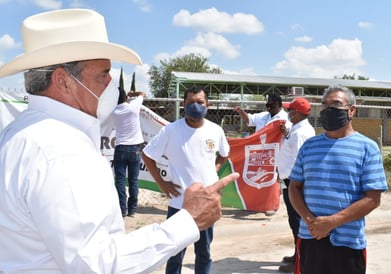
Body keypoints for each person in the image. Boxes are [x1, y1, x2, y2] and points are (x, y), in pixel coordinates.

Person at [0, 9, 239, 273]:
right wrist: (188, 220)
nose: (111, 83)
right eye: (102, 75)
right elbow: (97, 265)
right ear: (63, 81)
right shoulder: (61, 151)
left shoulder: (20, 133)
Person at [288, 86, 388, 274]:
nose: (328, 110)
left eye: (336, 104)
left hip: (348, 244)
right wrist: (311, 220)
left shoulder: (368, 148)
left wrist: (332, 222)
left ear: (352, 110)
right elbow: (294, 187)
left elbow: (373, 199)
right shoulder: (310, 146)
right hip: (310, 239)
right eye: (324, 105)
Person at [142, 86, 230, 274]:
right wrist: (163, 184)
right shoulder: (171, 131)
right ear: (183, 105)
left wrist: (214, 170)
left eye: (200, 102)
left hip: (206, 203)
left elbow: (224, 154)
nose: (195, 106)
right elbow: (147, 155)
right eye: (190, 103)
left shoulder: (215, 130)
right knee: (174, 254)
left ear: (208, 105)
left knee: (204, 252)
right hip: (179, 204)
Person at [276, 97, 315, 273]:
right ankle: (297, 253)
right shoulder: (296, 129)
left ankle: (301, 258)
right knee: (294, 221)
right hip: (289, 181)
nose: (288, 113)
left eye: (290, 110)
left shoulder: (301, 133)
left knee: (298, 221)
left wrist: (289, 181)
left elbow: (299, 161)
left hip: (294, 182)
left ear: (298, 113)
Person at [111, 87, 145, 218]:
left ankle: (122, 209)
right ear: (126, 97)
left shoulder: (113, 112)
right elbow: (142, 94)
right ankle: (132, 209)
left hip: (121, 147)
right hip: (135, 147)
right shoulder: (133, 107)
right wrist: (134, 94)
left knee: (120, 180)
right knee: (133, 180)